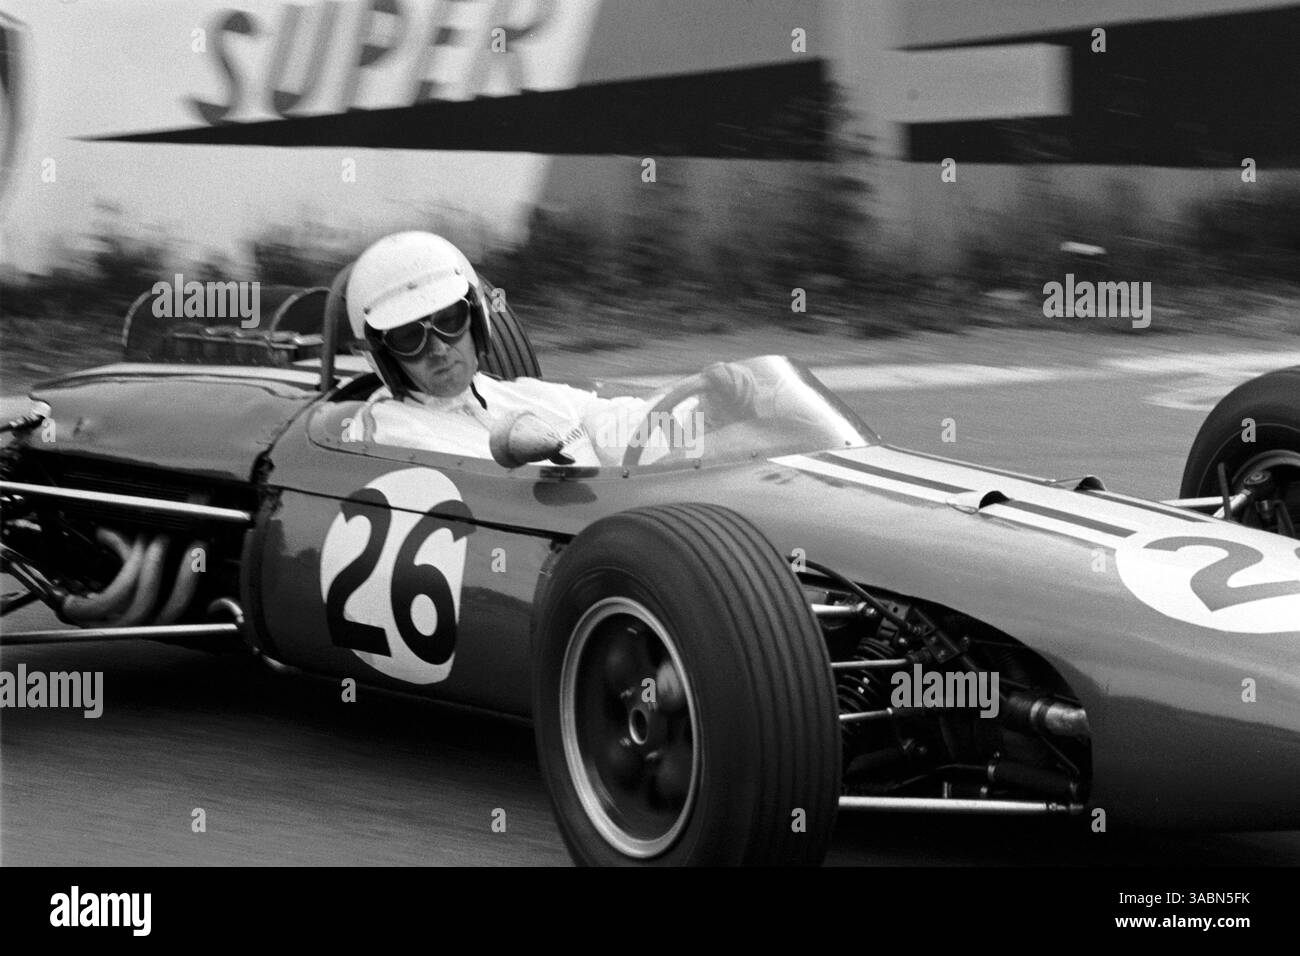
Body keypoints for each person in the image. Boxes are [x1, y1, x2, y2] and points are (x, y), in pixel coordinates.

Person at [345, 231, 749, 467]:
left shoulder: (525, 394)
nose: (436, 349)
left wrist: (711, 415)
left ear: (477, 318)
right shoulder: (385, 430)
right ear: (384, 356)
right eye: (408, 337)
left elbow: (624, 423)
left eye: (449, 322)